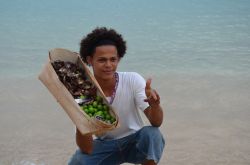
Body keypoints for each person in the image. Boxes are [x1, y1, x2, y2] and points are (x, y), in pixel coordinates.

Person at [68, 27, 165, 165]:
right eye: (102, 60)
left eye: (113, 59)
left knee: (152, 134)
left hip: (134, 142)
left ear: (118, 59)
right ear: (89, 60)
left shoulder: (133, 79)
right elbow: (87, 148)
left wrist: (155, 105)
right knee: (78, 161)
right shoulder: (84, 93)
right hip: (105, 146)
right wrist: (80, 121)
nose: (108, 65)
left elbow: (157, 122)